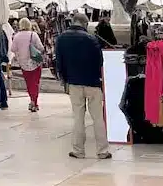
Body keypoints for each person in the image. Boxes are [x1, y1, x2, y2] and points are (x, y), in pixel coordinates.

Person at [55, 11, 111, 160]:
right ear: (85, 24)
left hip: (73, 83)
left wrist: (64, 80)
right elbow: (100, 61)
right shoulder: (91, 39)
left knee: (78, 118)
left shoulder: (61, 39)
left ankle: (78, 150)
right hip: (92, 83)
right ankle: (102, 150)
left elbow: (59, 63)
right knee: (98, 118)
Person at [11, 18, 45, 112]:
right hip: (35, 62)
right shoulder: (33, 34)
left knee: (29, 83)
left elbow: (13, 49)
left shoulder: (16, 36)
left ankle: (32, 100)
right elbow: (41, 47)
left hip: (23, 63)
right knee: (35, 83)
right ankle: (35, 102)